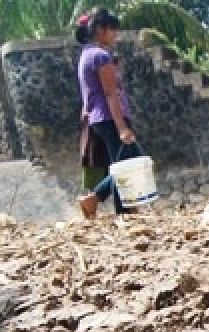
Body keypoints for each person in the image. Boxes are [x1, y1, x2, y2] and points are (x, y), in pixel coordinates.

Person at [75, 8, 141, 218]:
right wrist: (122, 128)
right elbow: (110, 94)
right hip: (110, 117)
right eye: (113, 30)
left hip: (99, 118)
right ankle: (100, 202)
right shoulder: (101, 56)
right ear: (101, 30)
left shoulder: (86, 55)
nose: (116, 35)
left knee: (124, 164)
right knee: (128, 164)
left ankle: (120, 208)